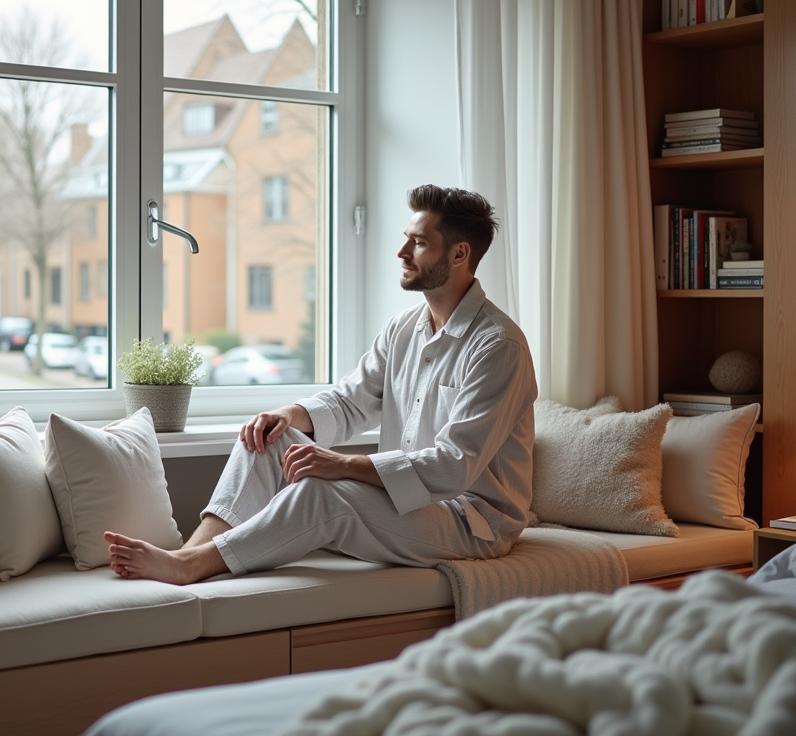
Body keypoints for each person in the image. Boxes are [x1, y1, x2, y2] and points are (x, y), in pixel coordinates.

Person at [105, 184, 538, 585]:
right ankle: (189, 553)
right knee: (267, 437)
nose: (402, 251)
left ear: (460, 254)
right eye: (406, 237)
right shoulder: (404, 328)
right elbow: (352, 400)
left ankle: (193, 566)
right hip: (409, 502)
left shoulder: (499, 347)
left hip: (471, 520)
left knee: (320, 493)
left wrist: (343, 464)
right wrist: (288, 415)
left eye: (419, 242)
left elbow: (452, 465)